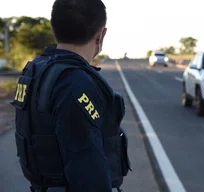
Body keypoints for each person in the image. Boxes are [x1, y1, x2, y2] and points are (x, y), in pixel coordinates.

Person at [10, 0, 131, 191]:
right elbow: (86, 167)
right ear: (101, 35)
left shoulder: (36, 71)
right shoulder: (75, 83)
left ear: (53, 28)